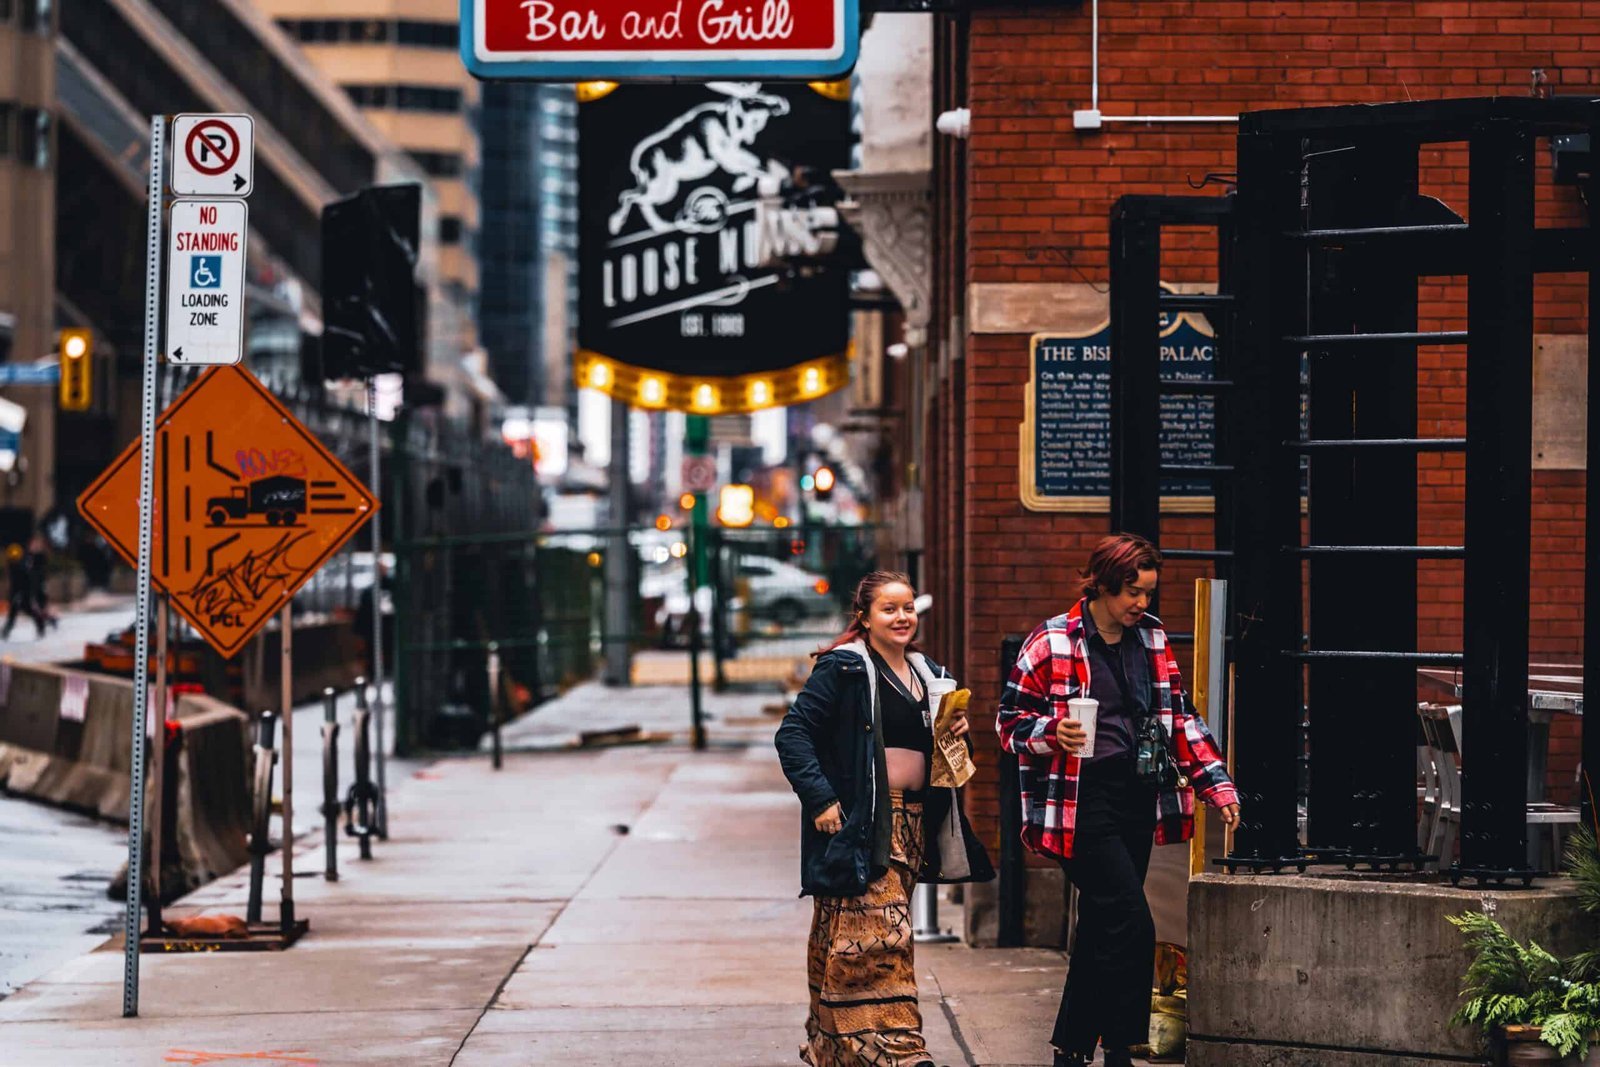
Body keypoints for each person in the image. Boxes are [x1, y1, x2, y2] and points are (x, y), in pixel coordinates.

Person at [996, 533, 1240, 1067]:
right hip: (1079, 802)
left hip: (1136, 797)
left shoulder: (1150, 638)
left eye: (1149, 592)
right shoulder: (1052, 641)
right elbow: (1008, 722)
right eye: (1133, 592)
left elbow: (1179, 717)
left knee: (1102, 923)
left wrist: (1215, 784)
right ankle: (1122, 1047)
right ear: (1103, 585)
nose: (1141, 603)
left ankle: (1071, 1048)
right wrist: (1052, 732)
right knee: (1132, 922)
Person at [776, 570, 994, 1067]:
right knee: (881, 936)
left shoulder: (928, 674)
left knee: (845, 930)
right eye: (889, 609)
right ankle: (900, 1051)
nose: (902, 617)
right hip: (867, 820)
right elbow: (793, 735)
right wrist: (821, 800)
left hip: (915, 823)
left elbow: (948, 757)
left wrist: (955, 730)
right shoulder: (846, 669)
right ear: (865, 616)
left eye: (908, 608)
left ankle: (833, 1048)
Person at [2, 541, 46, 640]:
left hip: (23, 592)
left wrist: (21, 594)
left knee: (26, 609)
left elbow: (25, 582)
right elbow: (14, 583)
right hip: (17, 592)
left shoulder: (21, 568)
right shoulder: (13, 566)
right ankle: (6, 630)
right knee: (13, 612)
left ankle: (40, 625)